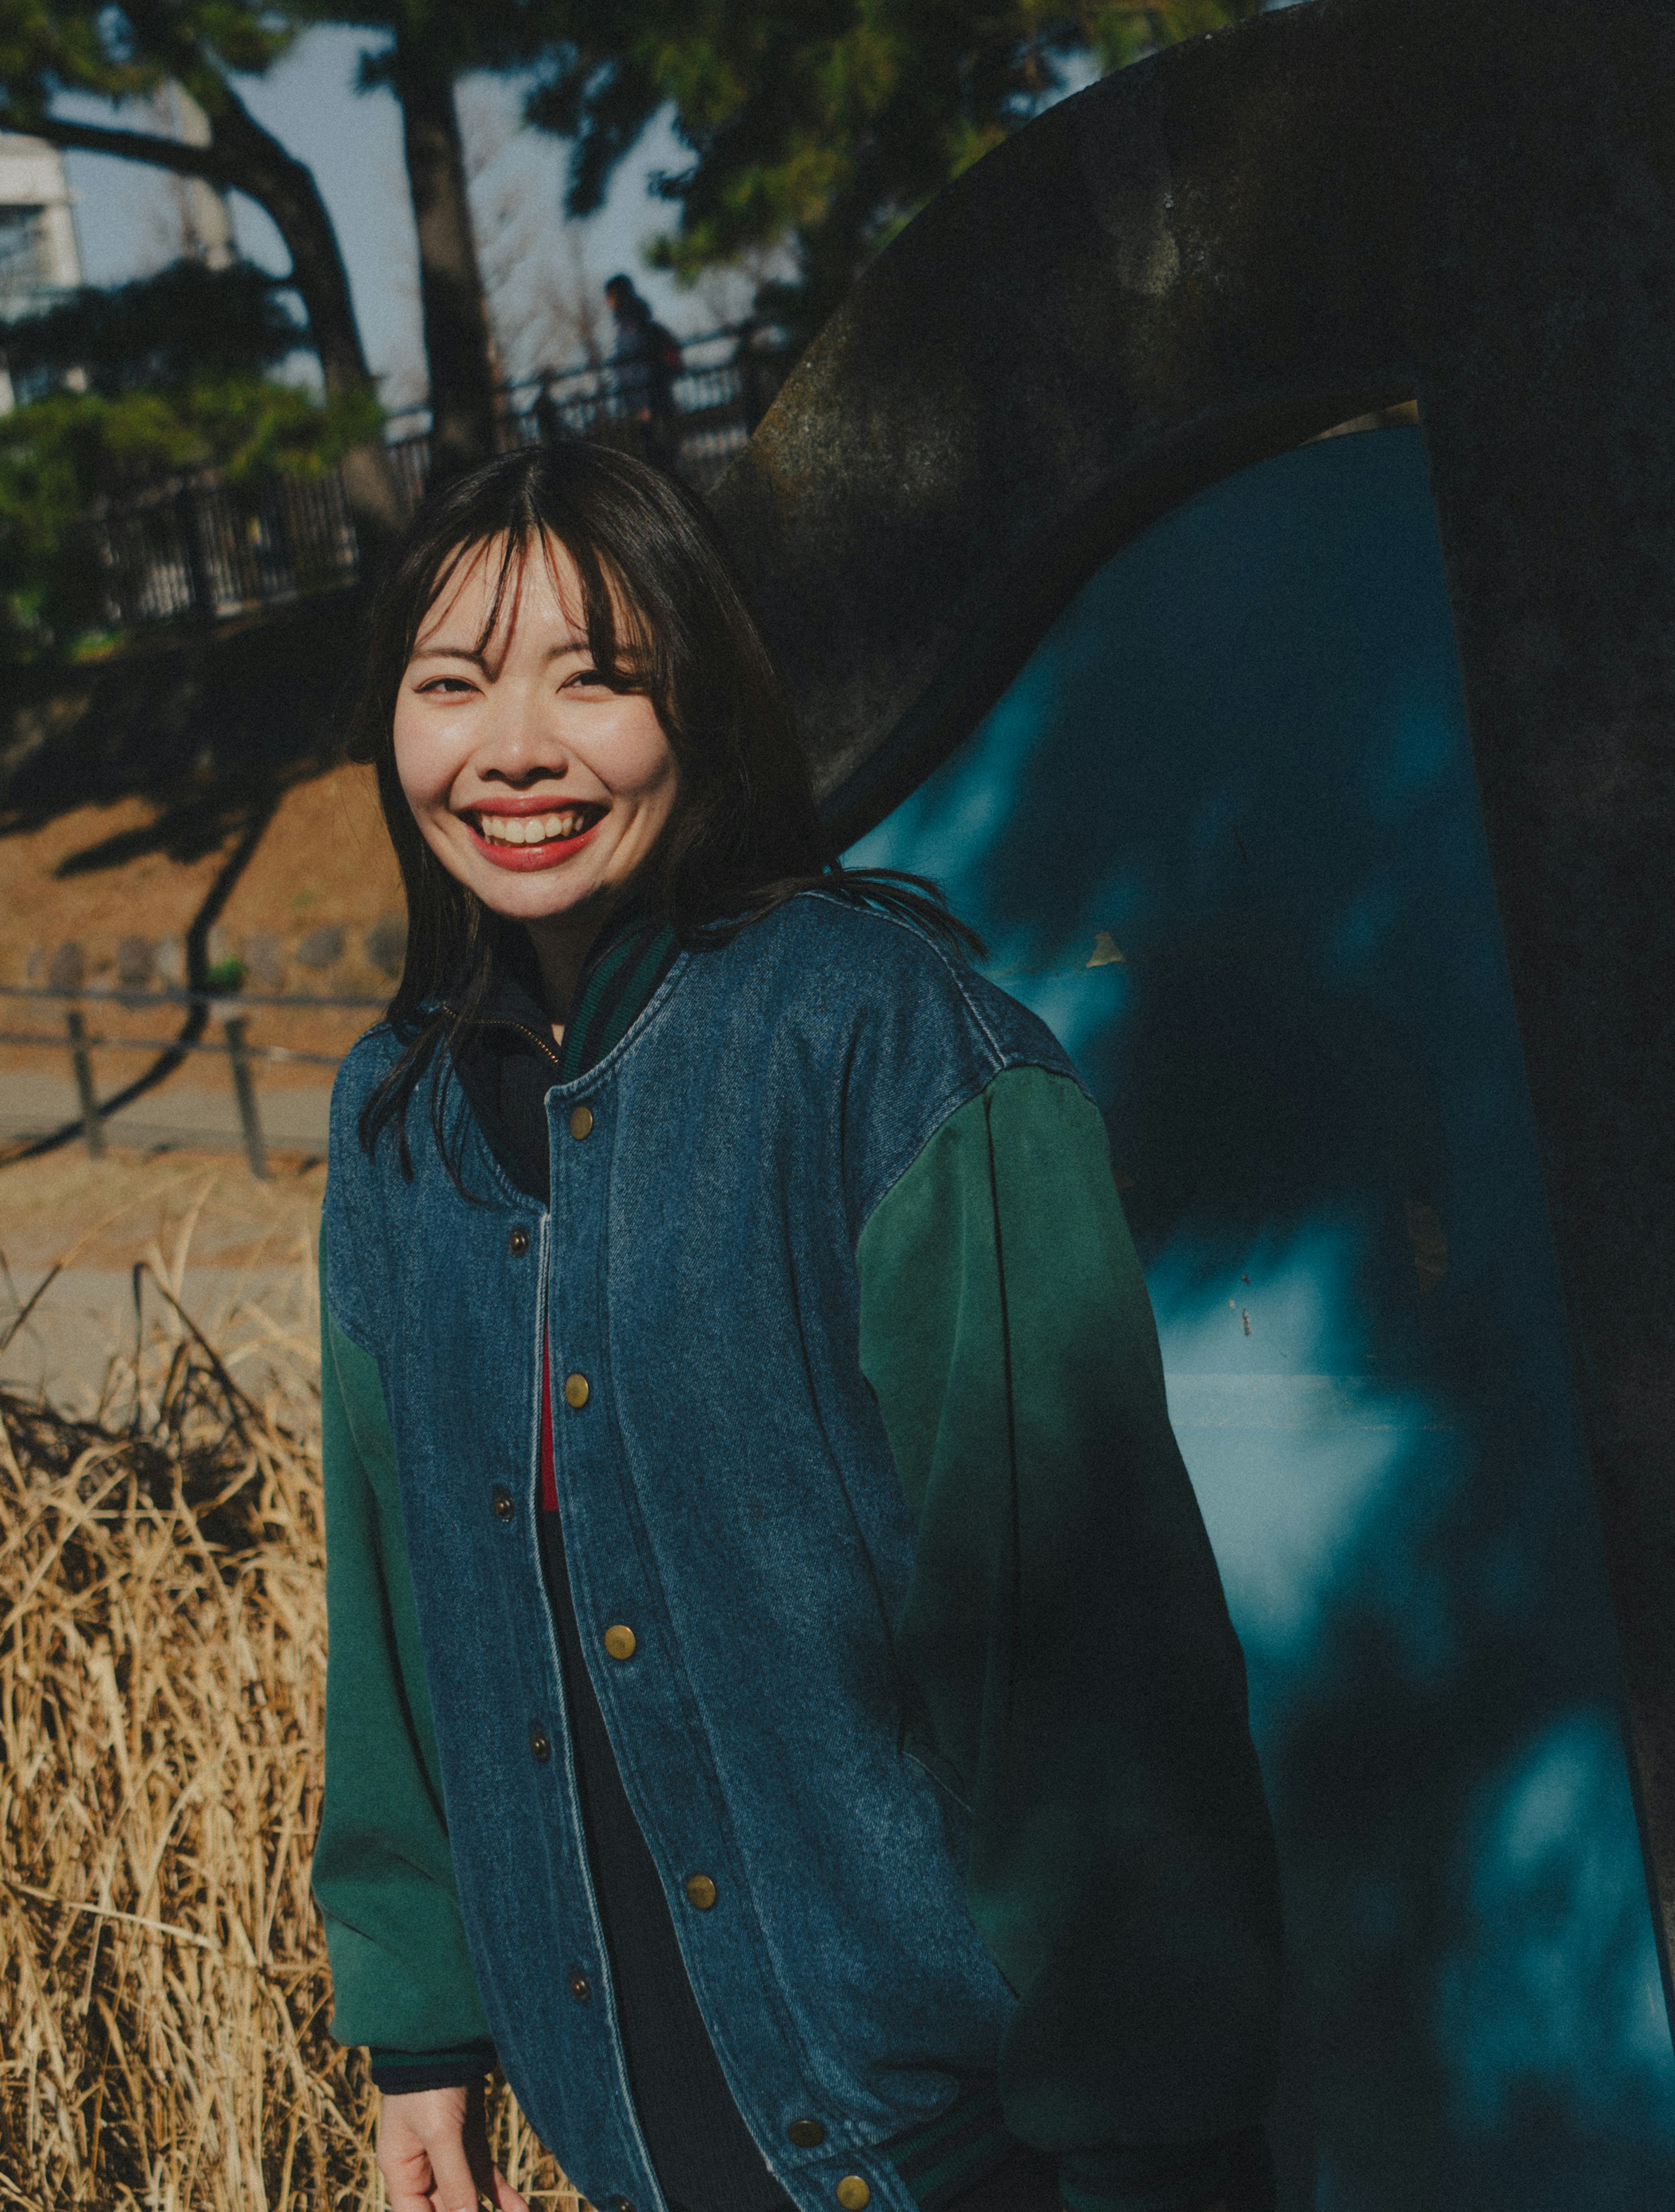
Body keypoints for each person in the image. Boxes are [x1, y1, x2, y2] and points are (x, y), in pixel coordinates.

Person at [314, 442, 1282, 2212]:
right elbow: (388, 1617)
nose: (512, 747)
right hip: (628, 2130)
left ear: (704, 698)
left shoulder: (883, 1042)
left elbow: (1090, 1643)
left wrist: (1157, 2138)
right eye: (451, 682)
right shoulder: (397, 1125)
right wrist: (423, 2045)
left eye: (593, 676)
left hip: (967, 2144)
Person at [604, 272, 683, 467]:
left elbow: (636, 365)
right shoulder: (638, 320)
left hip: (648, 398)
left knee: (657, 454)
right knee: (663, 452)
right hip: (654, 395)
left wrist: (642, 402)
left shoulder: (630, 325)